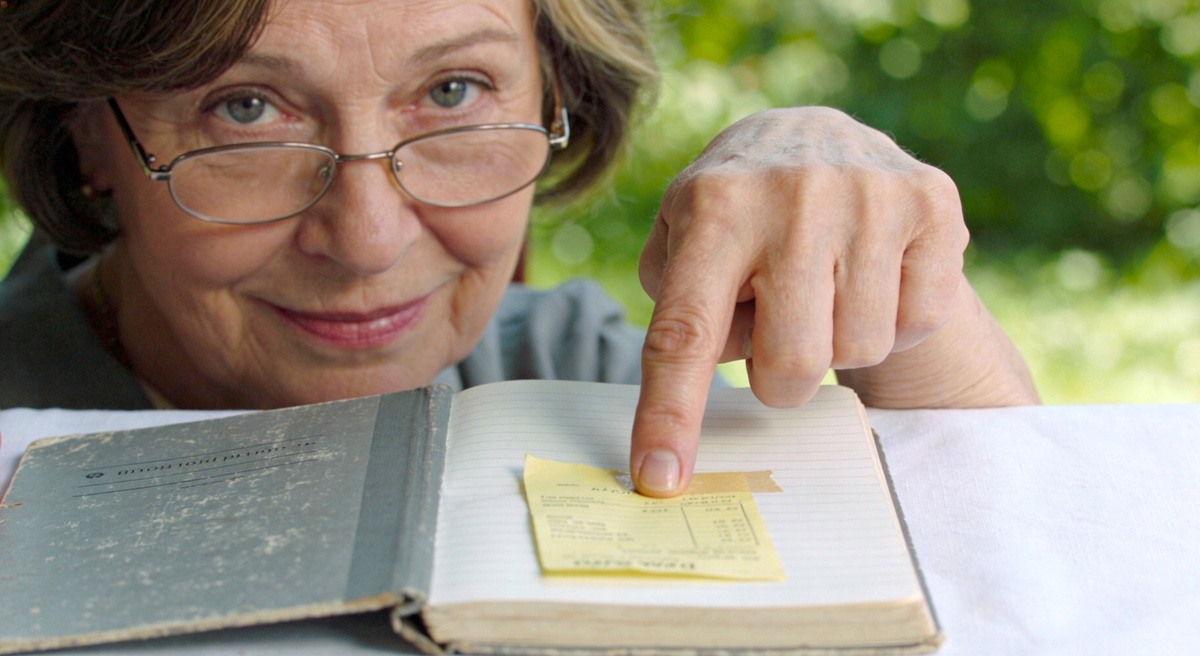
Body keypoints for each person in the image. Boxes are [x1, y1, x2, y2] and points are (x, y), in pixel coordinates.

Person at [0, 0, 1039, 498]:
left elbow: (1028, 553)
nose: (366, 241)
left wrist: (898, 270)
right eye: (244, 109)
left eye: (453, 92)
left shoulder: (580, 376)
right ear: (90, 130)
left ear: (557, 98)